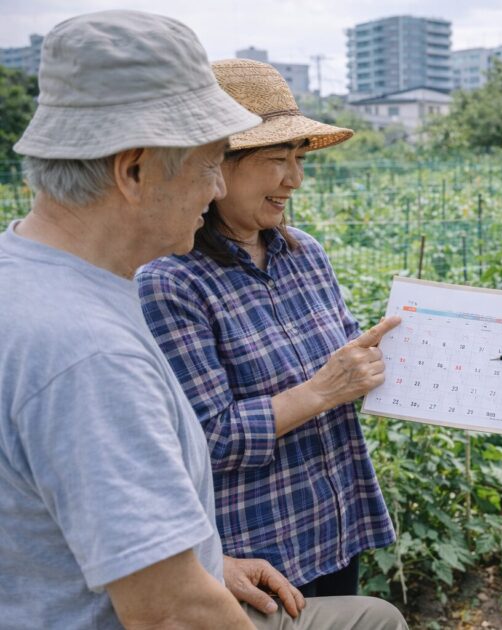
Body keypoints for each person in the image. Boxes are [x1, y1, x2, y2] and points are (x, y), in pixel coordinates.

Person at [0, 10, 406, 630]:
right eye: (209, 162)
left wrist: (207, 563)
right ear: (134, 170)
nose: (213, 187)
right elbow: (171, 613)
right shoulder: (90, 352)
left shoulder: (38, 282)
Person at [136, 58, 400, 598]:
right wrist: (322, 390)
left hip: (334, 519)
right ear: (215, 165)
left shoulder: (306, 255)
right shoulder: (171, 282)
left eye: (298, 158)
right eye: (277, 159)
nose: (294, 179)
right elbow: (207, 438)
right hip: (258, 548)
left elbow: (350, 361)